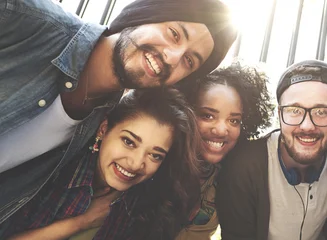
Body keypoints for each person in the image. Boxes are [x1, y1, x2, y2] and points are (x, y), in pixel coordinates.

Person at [0, 0, 236, 223]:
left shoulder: (103, 121)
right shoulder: (25, 18)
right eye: (174, 34)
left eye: (189, 61)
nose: (172, 58)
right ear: (144, 14)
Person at [0, 88, 200, 240]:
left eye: (155, 155)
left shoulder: (143, 204)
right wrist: (82, 221)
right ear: (104, 129)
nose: (136, 163)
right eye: (129, 142)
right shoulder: (57, 170)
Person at [216, 60, 327, 240]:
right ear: (279, 113)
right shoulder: (245, 165)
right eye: (294, 111)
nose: (307, 125)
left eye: (322, 111)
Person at [137, 62, 274, 240]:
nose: (222, 129)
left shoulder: (234, 173)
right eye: (208, 115)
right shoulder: (158, 160)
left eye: (234, 120)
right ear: (186, 111)